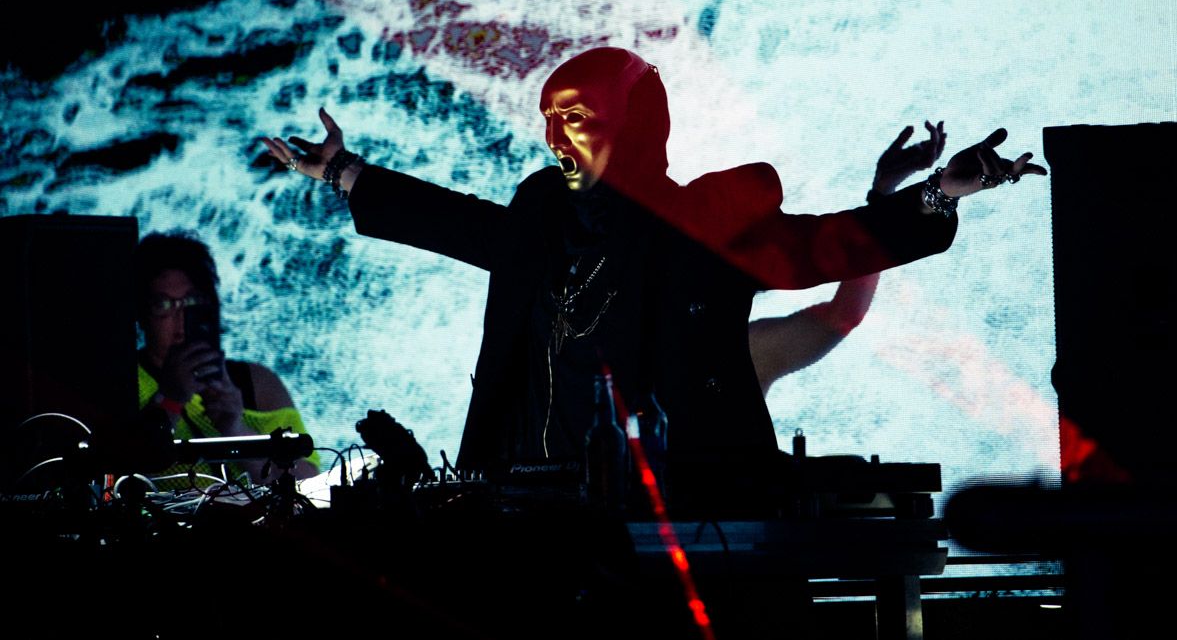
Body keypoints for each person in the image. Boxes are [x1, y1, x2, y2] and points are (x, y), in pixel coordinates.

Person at [263, 47, 1043, 511]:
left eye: (576, 117)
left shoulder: (706, 227)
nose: (555, 136)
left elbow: (827, 249)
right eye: (549, 118)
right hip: (534, 512)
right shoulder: (541, 222)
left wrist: (938, 194)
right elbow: (457, 223)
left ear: (635, 128)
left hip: (681, 515)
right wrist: (343, 172)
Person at [750, 121, 946, 395]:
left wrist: (882, 200)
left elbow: (842, 316)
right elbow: (843, 316)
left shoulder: (731, 350)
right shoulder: (730, 350)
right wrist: (882, 199)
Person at [136, 232, 320, 484]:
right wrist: (170, 401)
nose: (180, 317)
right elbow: (114, 474)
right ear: (141, 314)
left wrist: (235, 427)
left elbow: (309, 483)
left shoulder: (256, 382)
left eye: (192, 301)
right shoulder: (122, 385)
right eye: (163, 305)